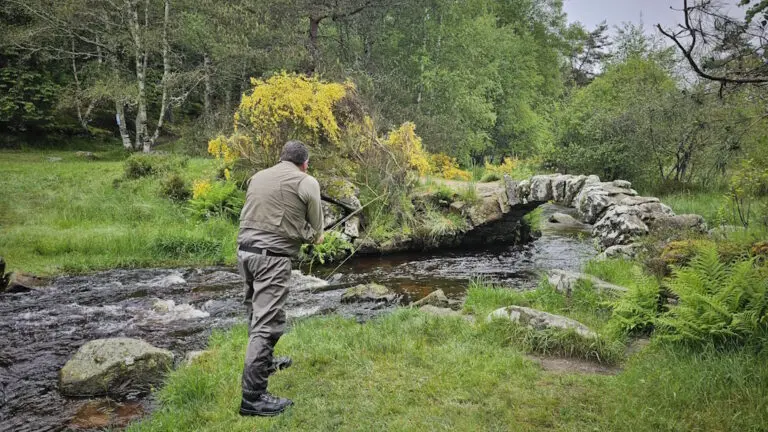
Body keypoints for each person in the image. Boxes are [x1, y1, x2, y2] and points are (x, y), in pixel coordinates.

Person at [236, 140, 324, 416]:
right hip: (271, 258)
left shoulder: (258, 176)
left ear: (281, 158)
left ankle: (266, 362)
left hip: (245, 252)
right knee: (267, 324)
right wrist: (316, 237)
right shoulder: (307, 182)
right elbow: (315, 229)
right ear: (305, 162)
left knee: (255, 312)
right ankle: (253, 398)